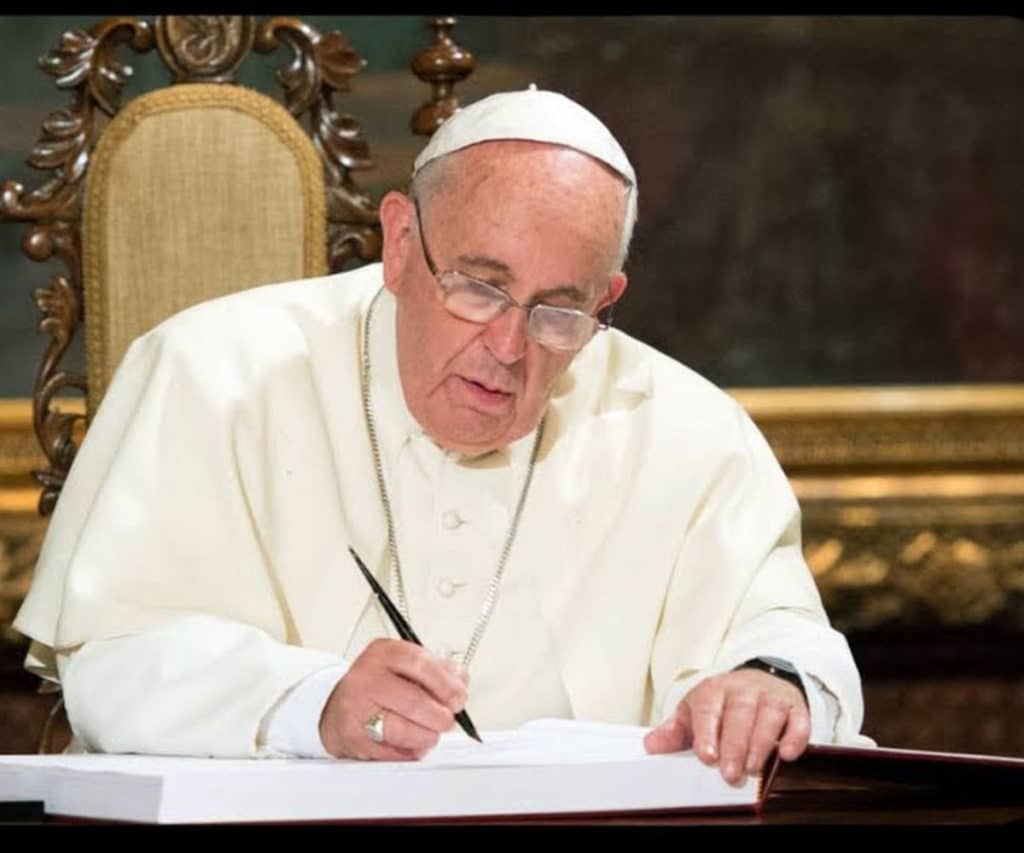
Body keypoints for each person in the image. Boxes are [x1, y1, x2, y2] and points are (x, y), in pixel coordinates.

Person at [14, 86, 871, 783]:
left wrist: (769, 685)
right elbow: (112, 661)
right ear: (397, 242)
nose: (507, 346)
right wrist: (311, 701)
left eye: (560, 309)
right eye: (479, 286)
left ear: (608, 295)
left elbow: (783, 635)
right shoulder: (213, 370)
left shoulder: (686, 428)